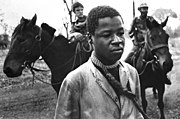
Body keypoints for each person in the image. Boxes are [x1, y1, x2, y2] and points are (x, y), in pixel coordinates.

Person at [54, 5, 145, 119]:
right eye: (107, 35)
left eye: (121, 33)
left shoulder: (132, 73)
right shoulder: (74, 81)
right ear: (90, 38)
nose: (117, 41)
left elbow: (138, 115)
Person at [127, 3, 171, 85]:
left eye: (146, 8)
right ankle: (131, 78)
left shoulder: (151, 19)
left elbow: (157, 27)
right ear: (139, 10)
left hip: (150, 44)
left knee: (163, 57)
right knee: (127, 59)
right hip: (139, 44)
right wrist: (134, 40)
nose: (145, 10)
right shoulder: (135, 20)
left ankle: (164, 76)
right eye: (143, 9)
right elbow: (130, 33)